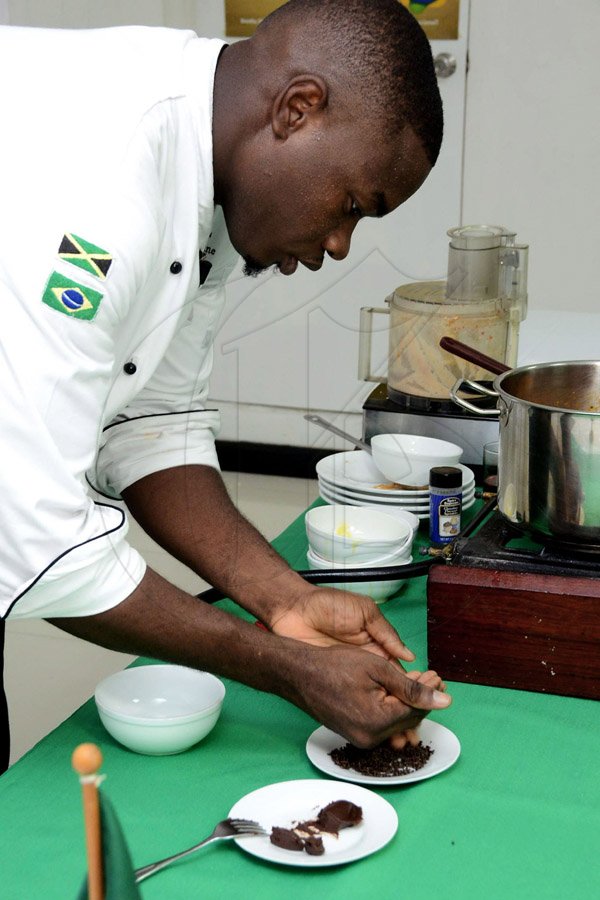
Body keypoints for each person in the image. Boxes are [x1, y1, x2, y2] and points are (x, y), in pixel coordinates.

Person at [0, 0, 449, 773]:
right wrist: (283, 667)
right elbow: (36, 538)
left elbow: (151, 422)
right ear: (297, 109)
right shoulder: (99, 192)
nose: (339, 245)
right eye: (350, 206)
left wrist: (285, 600)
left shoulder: (203, 168)